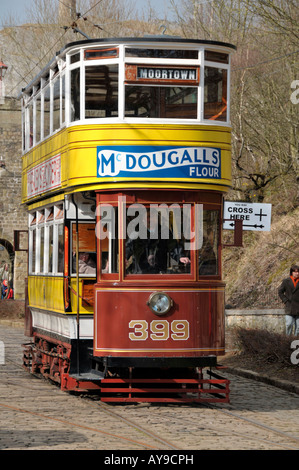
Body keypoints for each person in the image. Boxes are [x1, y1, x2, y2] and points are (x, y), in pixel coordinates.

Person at [278, 264, 299, 336]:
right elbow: (280, 292)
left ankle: (296, 341)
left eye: (298, 272)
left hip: (298, 307)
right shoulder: (286, 281)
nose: (297, 273)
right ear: (292, 272)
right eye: (295, 272)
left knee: (298, 328)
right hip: (289, 306)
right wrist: (285, 301)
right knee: (289, 324)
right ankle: (288, 340)